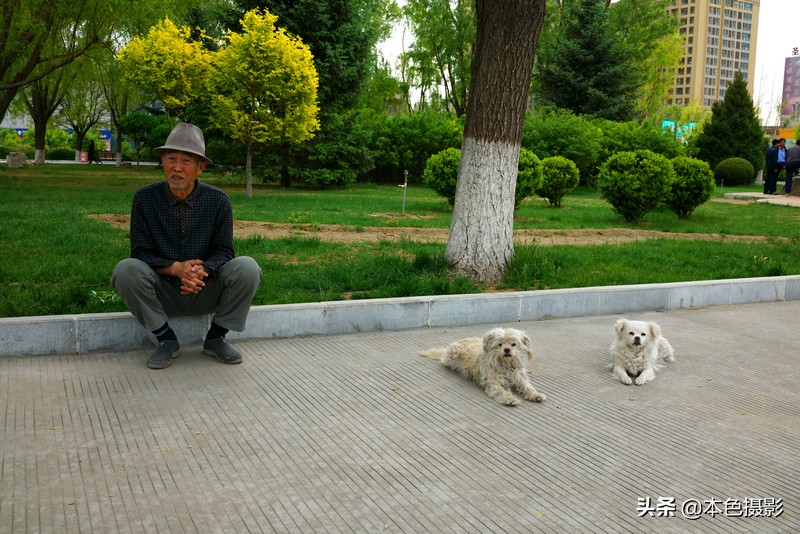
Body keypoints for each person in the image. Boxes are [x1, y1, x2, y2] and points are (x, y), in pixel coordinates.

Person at [112, 123, 262, 369]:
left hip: (204, 287)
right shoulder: (144, 199)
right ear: (162, 161)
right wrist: (176, 269)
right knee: (126, 270)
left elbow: (224, 251)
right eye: (171, 159)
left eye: (186, 161)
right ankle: (165, 340)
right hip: (163, 291)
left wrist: (200, 271)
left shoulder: (218, 201)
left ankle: (216, 338)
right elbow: (140, 253)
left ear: (200, 167)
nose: (177, 168)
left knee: (247, 267)